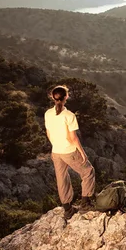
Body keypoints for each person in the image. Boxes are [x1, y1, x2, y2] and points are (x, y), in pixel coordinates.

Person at [44, 85, 95, 219]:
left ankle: (67, 210)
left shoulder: (48, 113)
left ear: (52, 97)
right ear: (66, 97)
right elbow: (72, 138)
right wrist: (82, 153)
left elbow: (48, 133)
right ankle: (85, 204)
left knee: (62, 178)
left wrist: (56, 145)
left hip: (56, 151)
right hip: (69, 151)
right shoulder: (69, 115)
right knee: (88, 171)